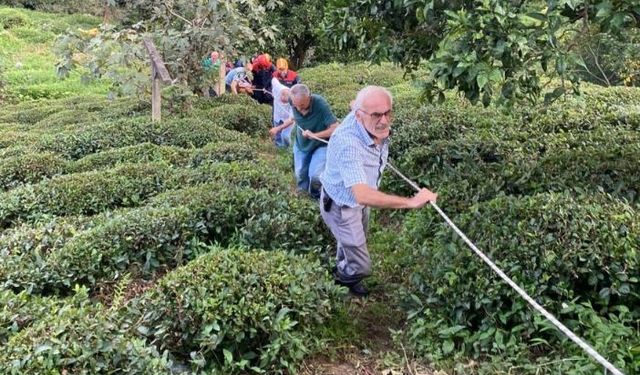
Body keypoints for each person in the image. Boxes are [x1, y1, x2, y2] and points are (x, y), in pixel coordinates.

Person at [320, 86, 438, 297]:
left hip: (359, 202)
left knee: (354, 242)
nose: (384, 121)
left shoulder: (360, 115)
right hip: (342, 204)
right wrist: (411, 202)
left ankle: (345, 268)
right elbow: (362, 195)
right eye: (376, 115)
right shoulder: (349, 144)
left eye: (387, 112)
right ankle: (342, 279)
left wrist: (364, 108)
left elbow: (354, 106)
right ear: (359, 115)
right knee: (363, 264)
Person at [289, 84, 338, 199]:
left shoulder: (320, 104)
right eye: (296, 106)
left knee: (315, 176)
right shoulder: (292, 101)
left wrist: (315, 135)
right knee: (300, 174)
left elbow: (335, 128)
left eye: (302, 105)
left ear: (309, 97)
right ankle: (302, 196)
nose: (299, 109)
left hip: (320, 144)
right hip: (302, 144)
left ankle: (315, 197)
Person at [269, 77, 294, 148]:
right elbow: (273, 79)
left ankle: (287, 149)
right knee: (278, 135)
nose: (281, 99)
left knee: (285, 135)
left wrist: (277, 128)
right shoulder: (278, 87)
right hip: (277, 115)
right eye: (282, 96)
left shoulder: (294, 102)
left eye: (285, 101)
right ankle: (279, 147)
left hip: (287, 119)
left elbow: (291, 120)